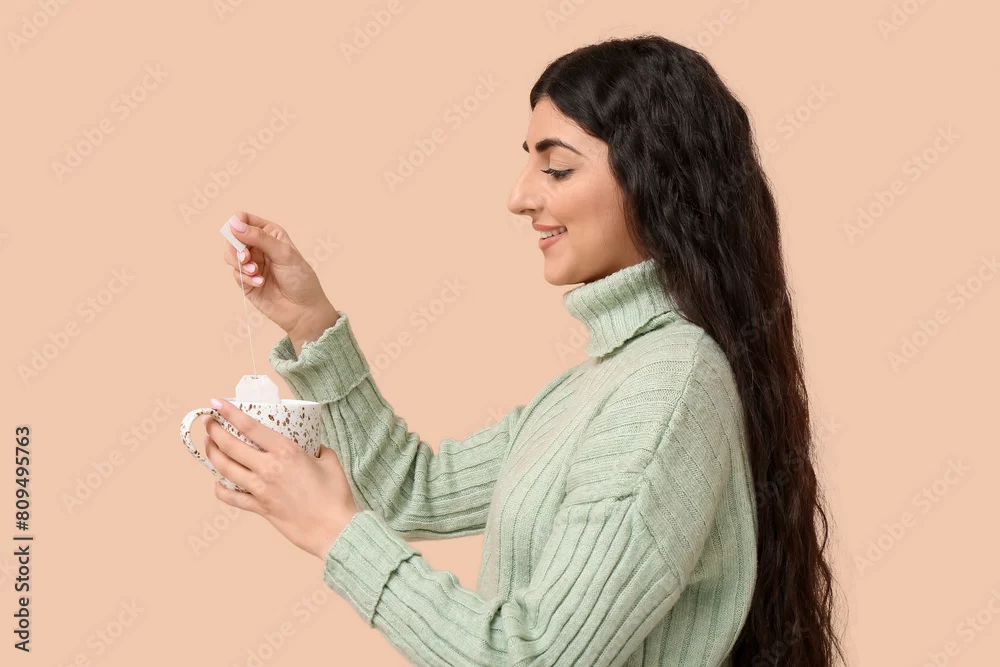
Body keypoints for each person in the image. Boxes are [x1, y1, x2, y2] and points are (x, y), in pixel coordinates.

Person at [203, 34, 845, 667]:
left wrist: (335, 532)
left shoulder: (669, 386)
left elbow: (534, 659)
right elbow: (413, 492)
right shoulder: (607, 380)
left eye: (556, 168)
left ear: (658, 180)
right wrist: (309, 321)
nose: (519, 197)